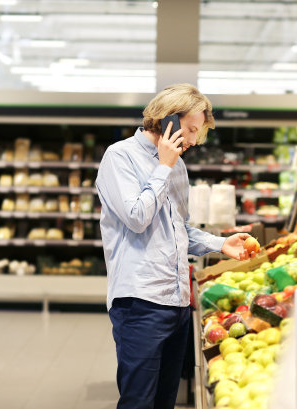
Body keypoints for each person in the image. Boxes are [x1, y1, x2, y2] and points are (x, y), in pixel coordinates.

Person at [96, 83, 256, 409]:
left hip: (178, 303)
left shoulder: (178, 166)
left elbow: (177, 229)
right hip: (141, 302)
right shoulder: (120, 157)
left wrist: (220, 243)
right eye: (191, 129)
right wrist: (163, 167)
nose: (195, 140)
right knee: (138, 401)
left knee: (165, 402)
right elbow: (137, 217)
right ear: (167, 119)